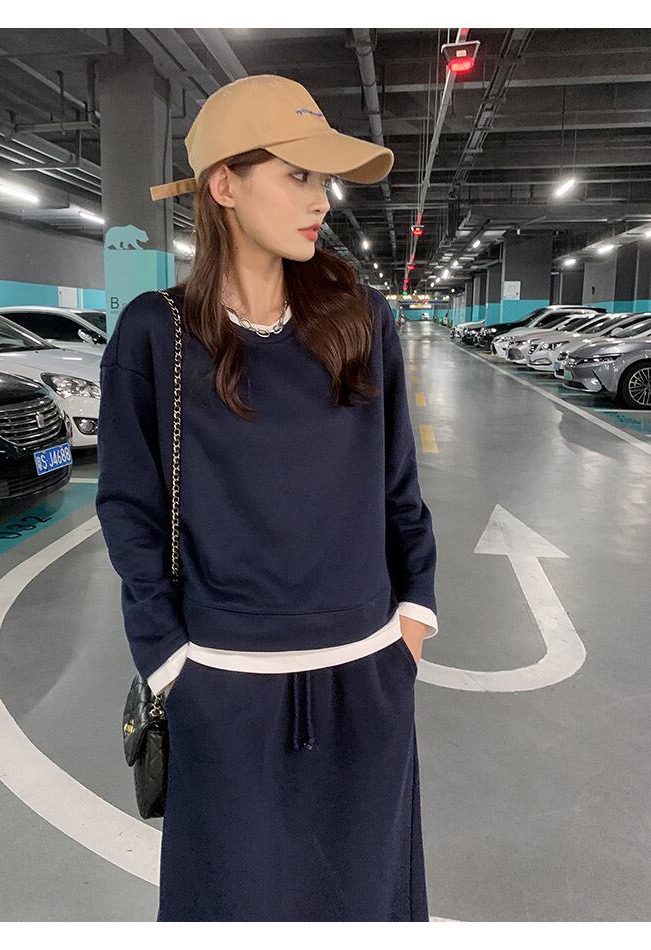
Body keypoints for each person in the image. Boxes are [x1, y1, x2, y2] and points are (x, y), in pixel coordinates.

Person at [95, 74, 438, 922]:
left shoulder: (360, 319)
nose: (321, 200)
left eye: (323, 180)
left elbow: (397, 483)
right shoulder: (157, 333)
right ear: (225, 184)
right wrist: (170, 662)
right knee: (231, 905)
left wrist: (414, 619)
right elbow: (129, 508)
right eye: (298, 175)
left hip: (367, 672)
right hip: (223, 685)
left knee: (365, 901)